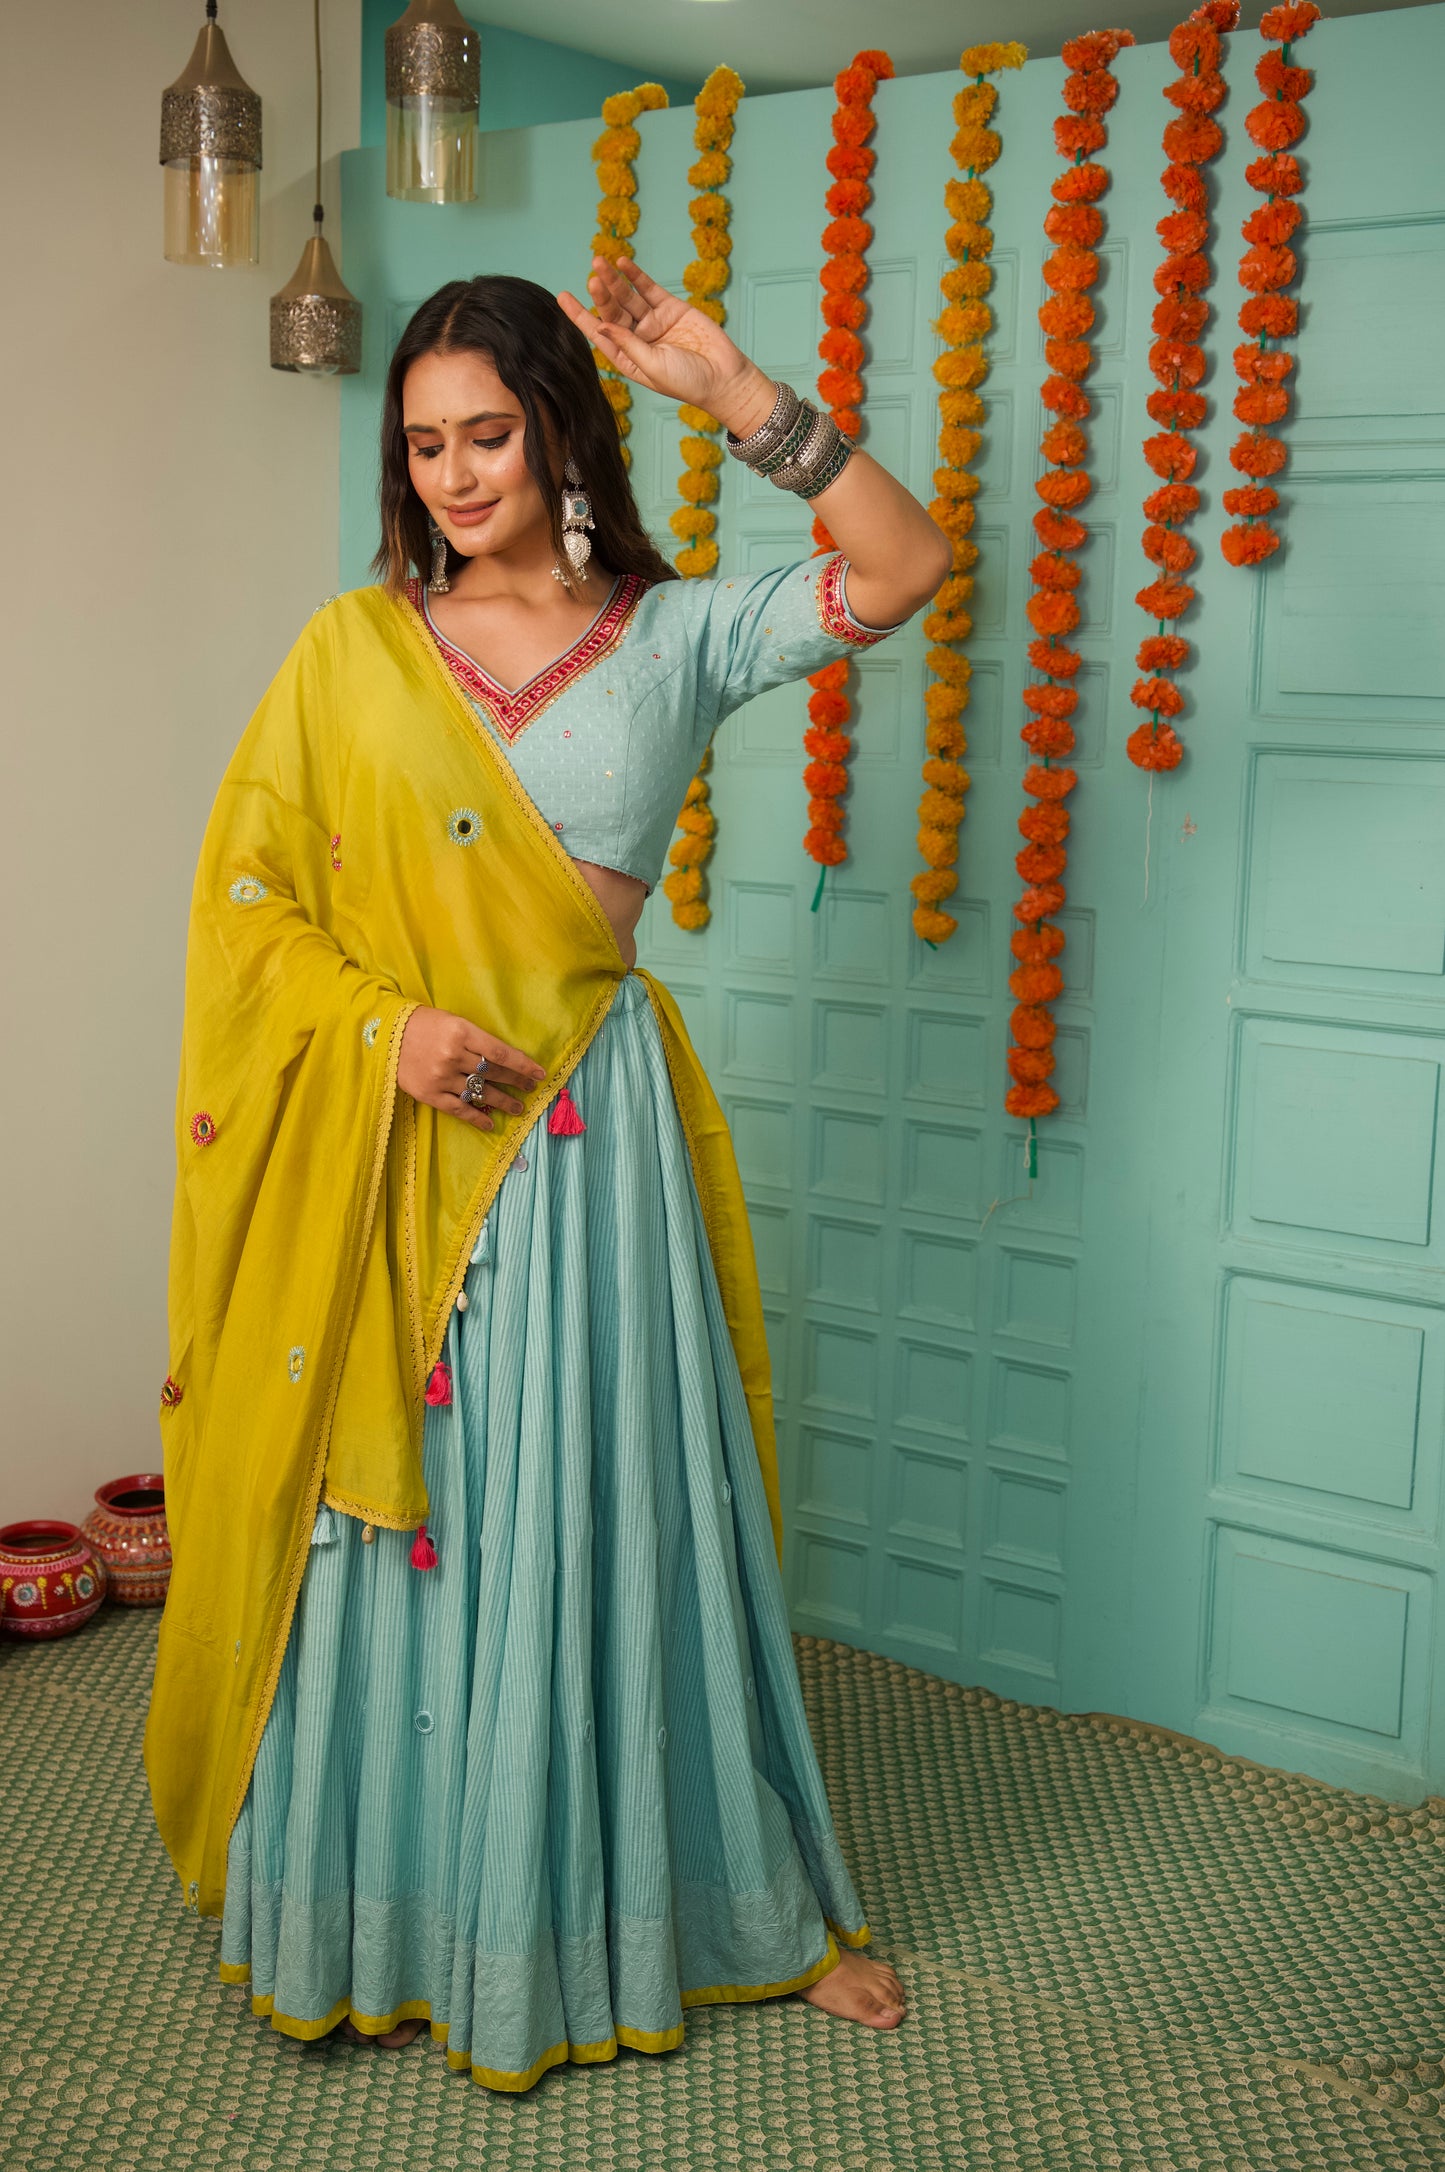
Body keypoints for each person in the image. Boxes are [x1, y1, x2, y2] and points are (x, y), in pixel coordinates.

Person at [144, 256, 951, 2095]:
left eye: (488, 434)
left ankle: (687, 1900)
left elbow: (903, 568)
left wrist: (736, 392)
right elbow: (248, 909)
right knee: (413, 1514)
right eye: (424, 444)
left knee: (606, 1502)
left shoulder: (672, 635)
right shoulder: (351, 651)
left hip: (584, 1144)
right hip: (400, 1143)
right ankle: (387, 1910)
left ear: (559, 430)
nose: (453, 475)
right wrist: (384, 1034)